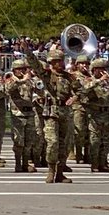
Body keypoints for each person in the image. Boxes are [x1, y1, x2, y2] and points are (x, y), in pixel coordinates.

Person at [26, 48, 76, 183]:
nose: (60, 64)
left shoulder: (68, 77)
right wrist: (27, 51)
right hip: (51, 112)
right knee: (52, 143)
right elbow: (35, 65)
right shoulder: (47, 75)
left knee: (63, 144)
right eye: (57, 61)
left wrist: (74, 98)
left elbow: (81, 90)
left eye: (61, 61)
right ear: (51, 63)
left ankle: (60, 173)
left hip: (65, 112)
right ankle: (51, 170)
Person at [2, 59, 38, 173]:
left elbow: (40, 91)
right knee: (18, 141)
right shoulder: (11, 80)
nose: (21, 71)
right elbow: (8, 89)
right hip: (18, 114)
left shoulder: (29, 80)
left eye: (23, 69)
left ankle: (25, 163)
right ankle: (18, 164)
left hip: (30, 113)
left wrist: (36, 84)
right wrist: (21, 80)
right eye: (18, 69)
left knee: (29, 141)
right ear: (14, 70)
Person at [83, 58, 109, 173]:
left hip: (108, 114)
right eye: (100, 69)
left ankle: (103, 163)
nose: (103, 71)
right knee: (95, 141)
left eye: (104, 68)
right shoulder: (89, 80)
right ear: (94, 70)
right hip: (95, 114)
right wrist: (99, 81)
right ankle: (94, 164)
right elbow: (84, 90)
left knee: (106, 141)